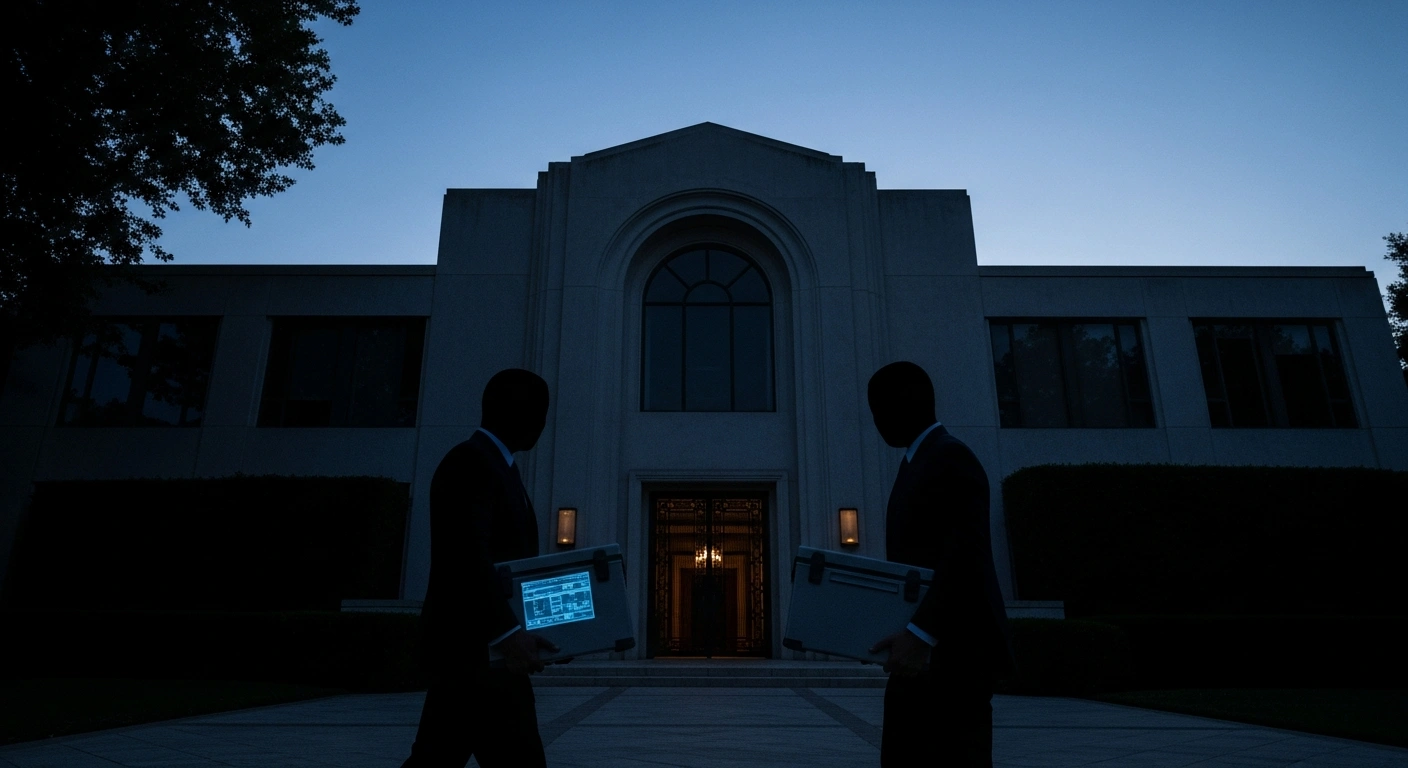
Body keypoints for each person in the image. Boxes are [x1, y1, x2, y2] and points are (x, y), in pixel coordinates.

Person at [402, 368, 559, 768]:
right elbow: (466, 557)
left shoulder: (498, 467)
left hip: (485, 661)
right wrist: (507, 632)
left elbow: (506, 567)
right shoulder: (471, 463)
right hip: (473, 657)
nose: (544, 424)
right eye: (542, 413)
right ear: (528, 417)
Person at [865, 361, 1014, 768]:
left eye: (877, 409)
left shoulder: (949, 458)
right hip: (923, 660)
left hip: (952, 660)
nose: (875, 421)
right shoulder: (918, 462)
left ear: (902, 405)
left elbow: (967, 556)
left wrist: (920, 633)